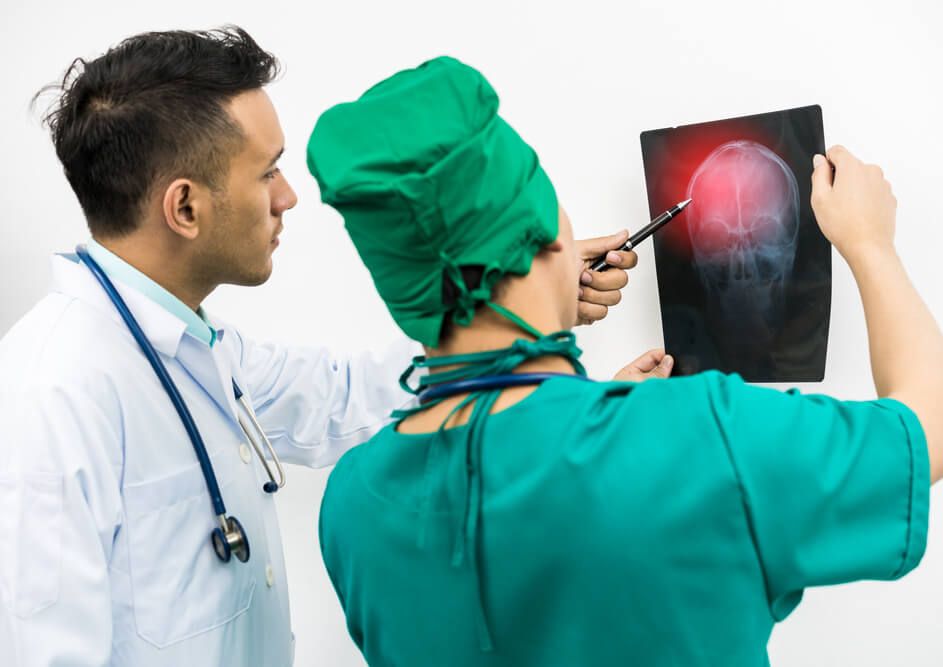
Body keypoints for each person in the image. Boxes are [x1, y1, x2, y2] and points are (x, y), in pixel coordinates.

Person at [0, 29, 637, 666]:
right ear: (185, 207)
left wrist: (518, 295)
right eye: (267, 171)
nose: (289, 196)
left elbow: (341, 395)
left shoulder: (197, 345)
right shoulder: (52, 387)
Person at [310, 56, 943, 666]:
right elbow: (934, 429)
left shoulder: (351, 504)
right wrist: (872, 243)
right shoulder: (701, 436)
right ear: (544, 225)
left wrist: (593, 399)